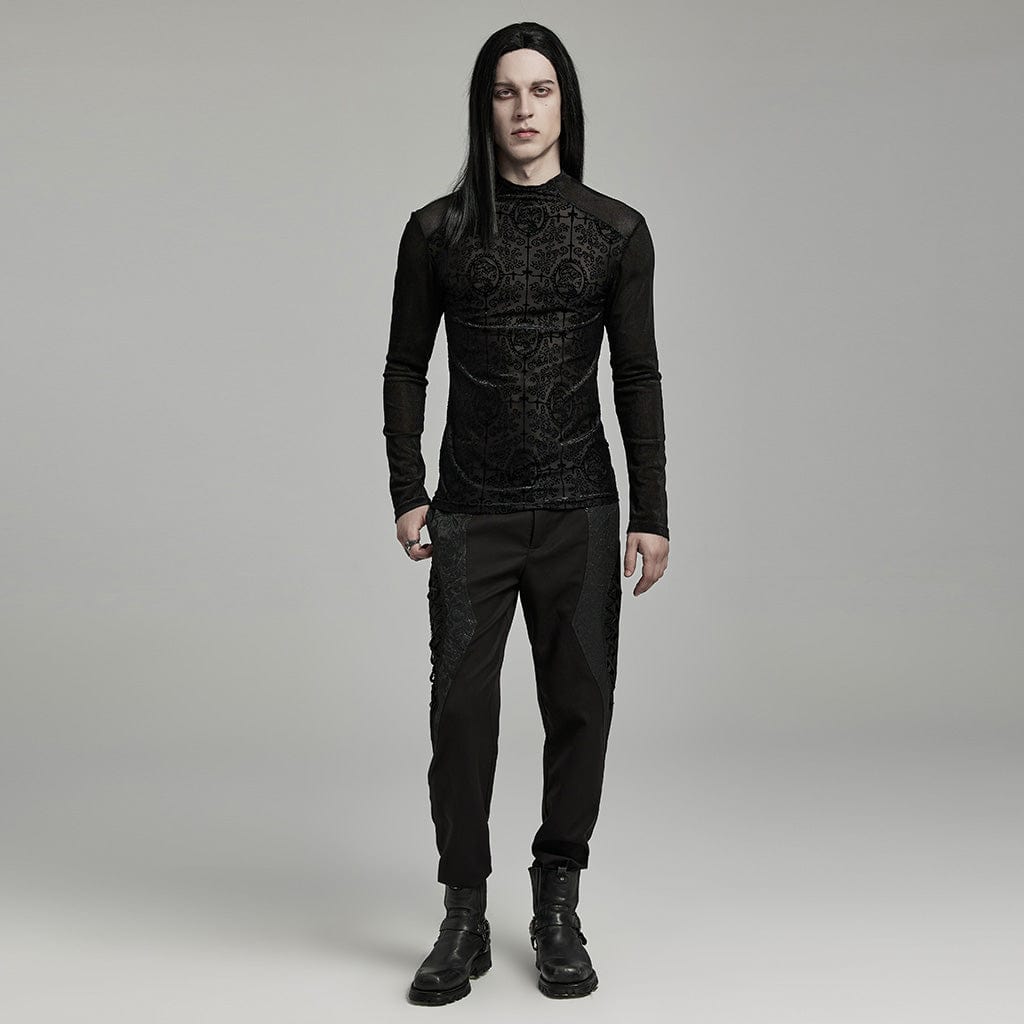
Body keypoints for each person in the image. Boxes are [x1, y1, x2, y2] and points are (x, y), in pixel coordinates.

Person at [382, 21, 670, 1005]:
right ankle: (462, 913)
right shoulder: (437, 232)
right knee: (460, 717)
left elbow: (636, 376)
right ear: (484, 107)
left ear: (564, 104)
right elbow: (405, 365)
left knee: (580, 709)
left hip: (581, 510)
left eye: (540, 90)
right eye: (506, 91)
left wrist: (651, 510)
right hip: (471, 514)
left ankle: (557, 904)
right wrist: (407, 490)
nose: (523, 108)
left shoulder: (615, 231)